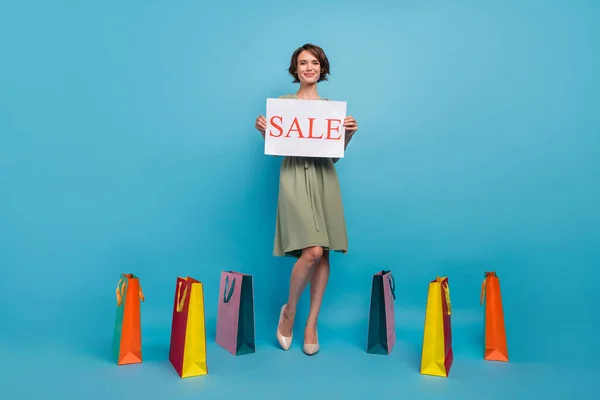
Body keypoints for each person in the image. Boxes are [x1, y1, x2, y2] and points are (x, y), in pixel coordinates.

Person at [254, 43, 358, 355]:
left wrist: (348, 135)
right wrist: (264, 131)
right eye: (303, 63)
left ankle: (312, 323)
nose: (309, 67)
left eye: (314, 62)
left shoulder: (330, 110)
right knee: (311, 251)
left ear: (322, 69)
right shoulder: (284, 104)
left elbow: (333, 157)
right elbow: (280, 146)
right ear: (295, 69)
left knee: (324, 252)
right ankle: (290, 311)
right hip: (294, 177)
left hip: (324, 178)